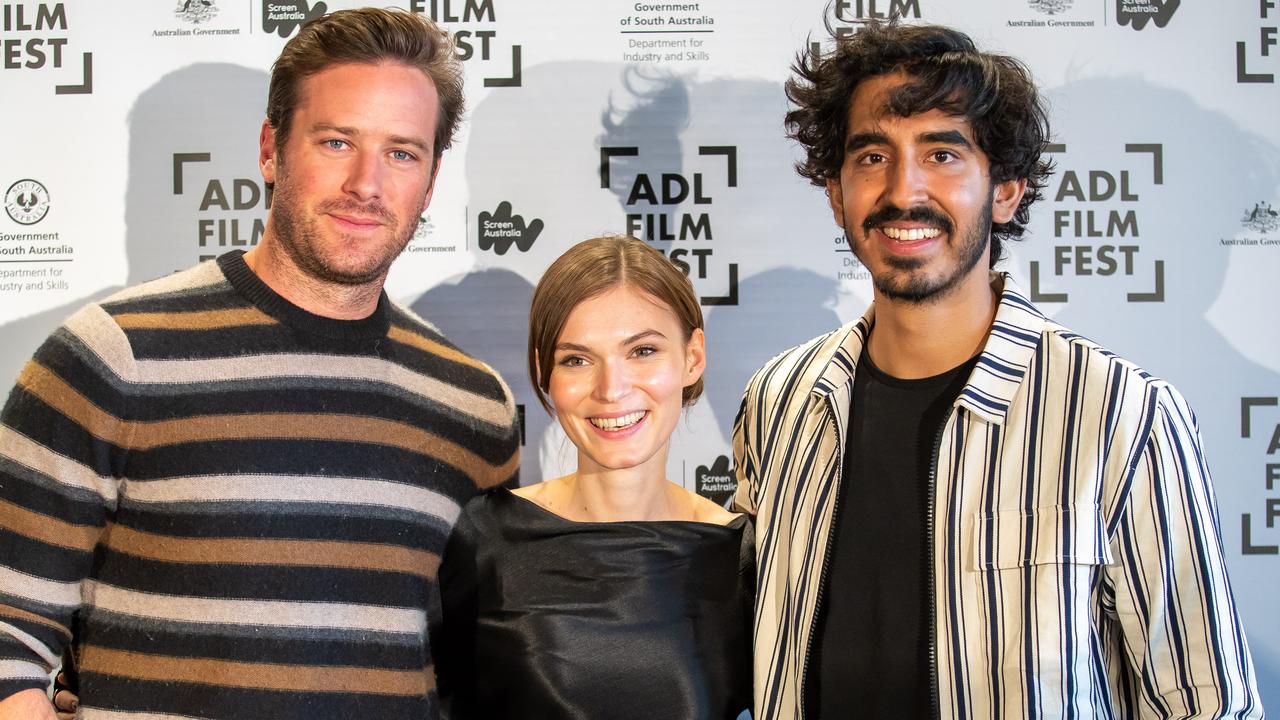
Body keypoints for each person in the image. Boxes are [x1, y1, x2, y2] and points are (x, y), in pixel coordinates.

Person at [733, 20, 1264, 720]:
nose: (904, 189)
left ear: (1006, 189)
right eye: (871, 157)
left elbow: (1206, 703)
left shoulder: (1119, 415)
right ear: (837, 194)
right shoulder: (780, 400)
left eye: (943, 154)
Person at [0, 8, 519, 720]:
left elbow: (478, 673)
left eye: (402, 153)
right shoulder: (116, 355)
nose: (367, 183)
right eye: (337, 142)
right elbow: (7, 642)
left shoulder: (474, 409)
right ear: (271, 149)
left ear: (429, 184)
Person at [431, 236, 754, 719]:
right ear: (545, 373)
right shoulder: (481, 541)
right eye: (577, 360)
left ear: (692, 357)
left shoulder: (746, 557)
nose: (611, 389)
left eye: (642, 351)